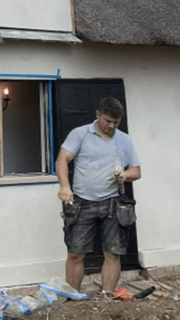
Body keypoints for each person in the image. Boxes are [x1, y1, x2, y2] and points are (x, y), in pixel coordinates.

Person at [55, 97, 141, 296]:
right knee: (75, 253)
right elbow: (62, 159)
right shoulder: (80, 134)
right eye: (107, 121)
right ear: (98, 115)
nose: (111, 126)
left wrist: (124, 175)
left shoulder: (124, 140)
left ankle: (107, 298)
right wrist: (65, 187)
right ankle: (74, 299)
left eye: (115, 123)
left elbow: (136, 171)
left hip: (113, 203)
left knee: (113, 253)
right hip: (81, 203)